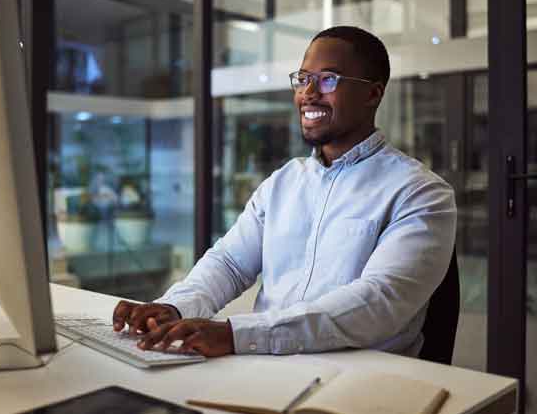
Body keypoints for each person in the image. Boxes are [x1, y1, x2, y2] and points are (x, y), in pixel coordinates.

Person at [112, 26, 457, 358]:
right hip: (264, 362)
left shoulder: (421, 193)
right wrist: (175, 307)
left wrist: (236, 335)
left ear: (372, 93)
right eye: (303, 78)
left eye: (328, 79)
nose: (308, 92)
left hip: (357, 377)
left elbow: (379, 302)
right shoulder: (283, 182)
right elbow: (229, 263)